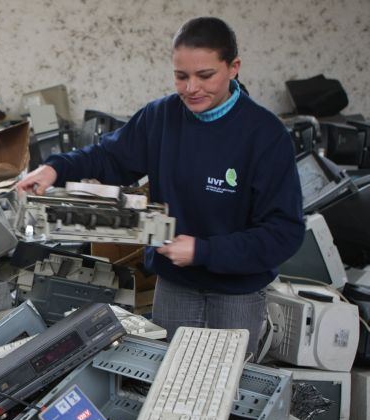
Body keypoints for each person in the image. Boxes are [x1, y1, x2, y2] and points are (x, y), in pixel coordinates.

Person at [17, 17, 305, 355]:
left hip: (236, 293)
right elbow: (109, 157)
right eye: (181, 76)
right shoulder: (161, 118)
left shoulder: (265, 135)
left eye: (205, 76)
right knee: (166, 381)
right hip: (175, 286)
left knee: (223, 390)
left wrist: (203, 251)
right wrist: (55, 169)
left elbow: (283, 232)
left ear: (234, 67)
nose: (191, 88)